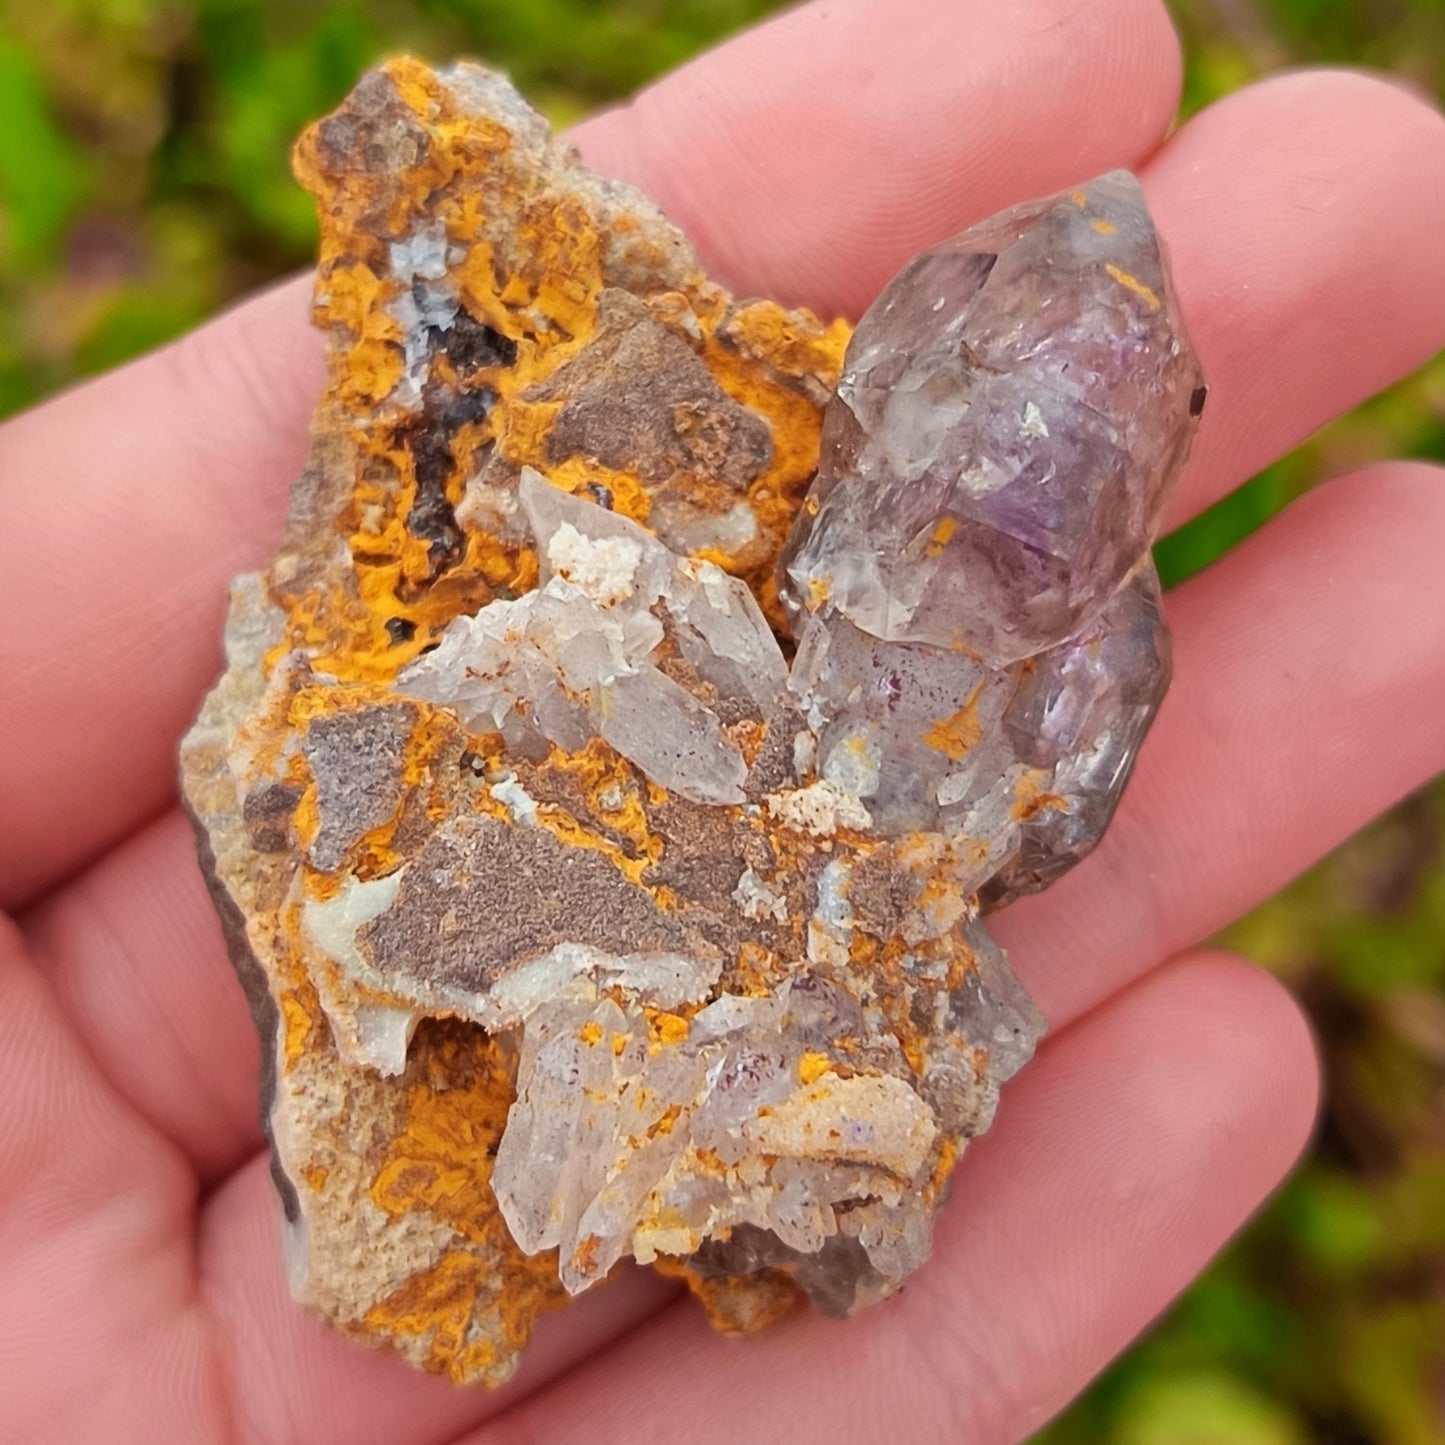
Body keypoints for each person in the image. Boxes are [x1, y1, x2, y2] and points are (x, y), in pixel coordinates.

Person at [1, 1, 1442, 1441]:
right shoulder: (689, 565)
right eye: (972, 444)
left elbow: (1044, 809)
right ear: (885, 390)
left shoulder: (1091, 656)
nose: (1015, 500)